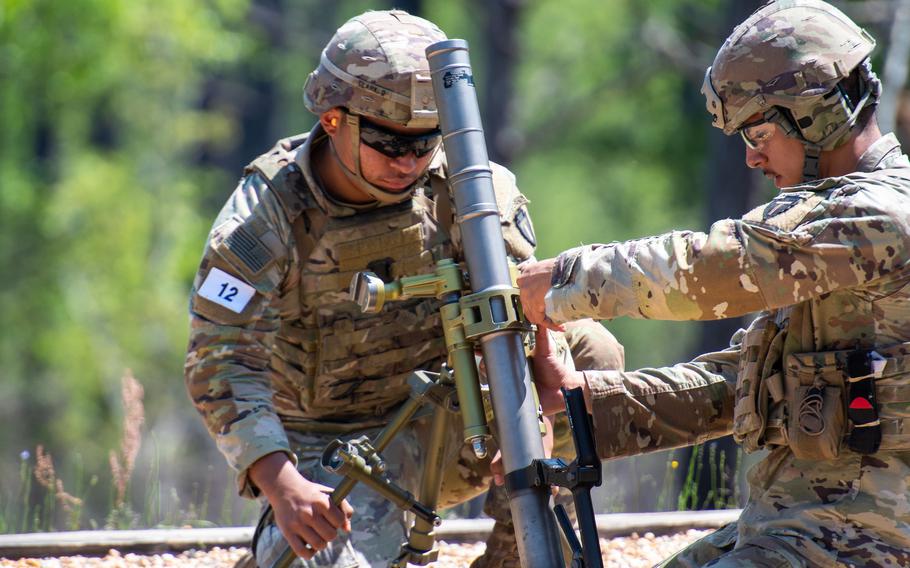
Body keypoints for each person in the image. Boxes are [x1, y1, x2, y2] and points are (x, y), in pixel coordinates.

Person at [183, 9, 623, 567]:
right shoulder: (264, 217)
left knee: (591, 352)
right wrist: (281, 483)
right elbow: (221, 359)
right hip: (329, 445)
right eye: (390, 144)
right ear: (334, 119)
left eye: (426, 143)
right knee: (323, 554)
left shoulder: (465, 187)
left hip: (450, 418)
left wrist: (528, 415)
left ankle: (517, 554)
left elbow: (519, 308)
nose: (410, 163)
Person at [518, 1, 910, 566]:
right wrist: (583, 401)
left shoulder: (878, 218)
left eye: (759, 132)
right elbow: (742, 386)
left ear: (816, 117)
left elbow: (712, 269)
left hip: (866, 540)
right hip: (802, 529)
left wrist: (564, 280)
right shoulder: (827, 224)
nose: (752, 158)